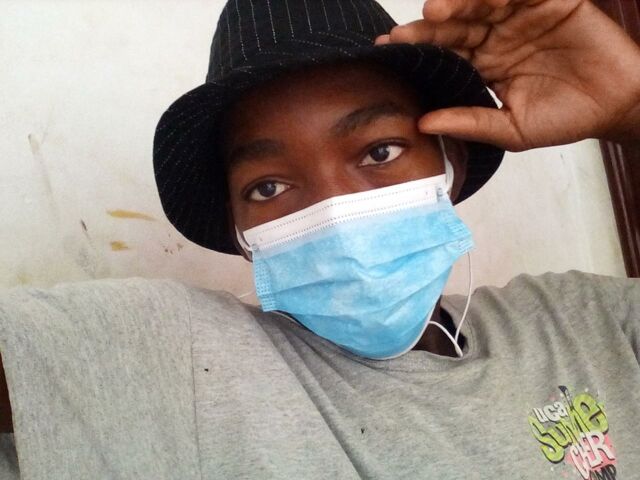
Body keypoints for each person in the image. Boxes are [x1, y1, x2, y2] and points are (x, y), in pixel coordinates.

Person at [0, 0, 639, 478]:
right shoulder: (177, 360)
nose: (334, 213)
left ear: (451, 163)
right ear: (241, 231)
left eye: (380, 151)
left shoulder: (584, 321)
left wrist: (633, 109)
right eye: (269, 187)